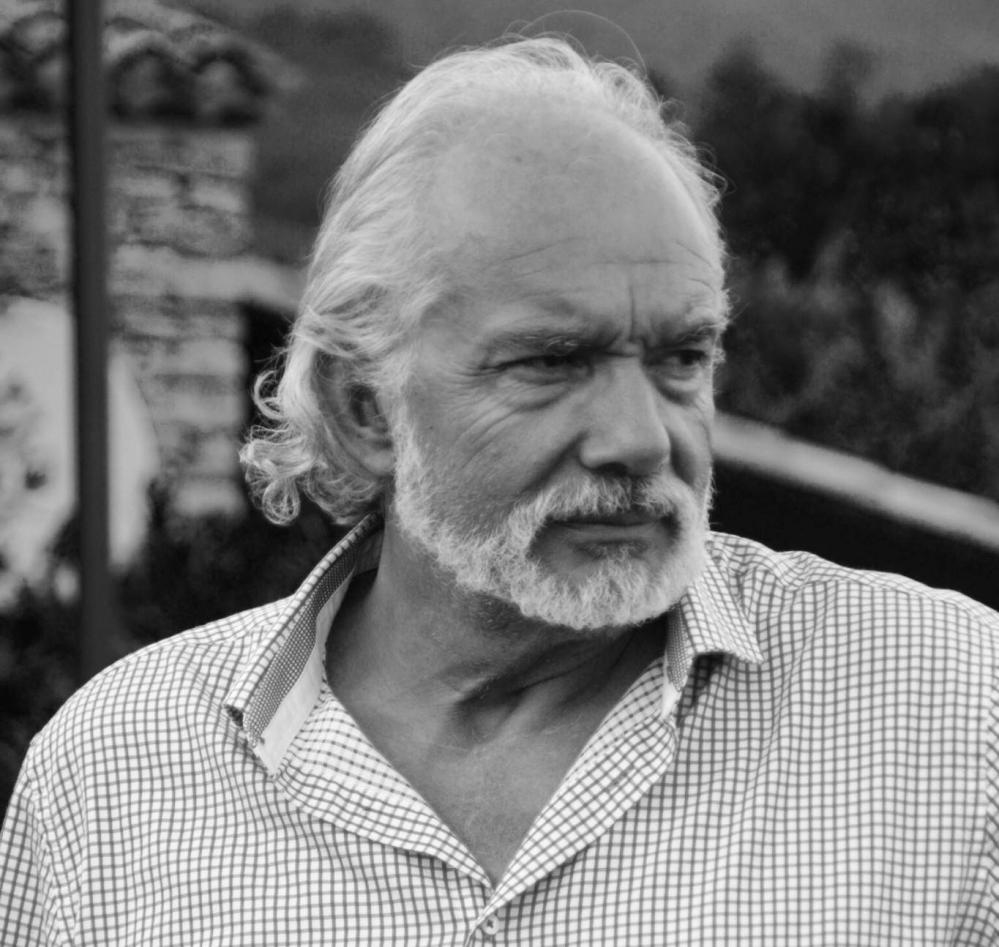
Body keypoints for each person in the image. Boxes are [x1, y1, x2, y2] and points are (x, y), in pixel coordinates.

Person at [2, 36, 998, 945]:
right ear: (365, 410)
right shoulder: (116, 777)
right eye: (551, 362)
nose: (641, 438)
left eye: (681, 357)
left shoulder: (952, 714)